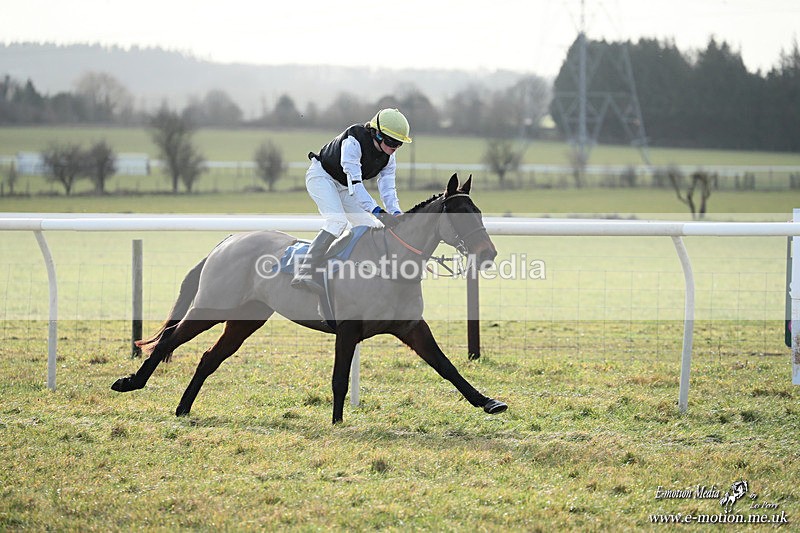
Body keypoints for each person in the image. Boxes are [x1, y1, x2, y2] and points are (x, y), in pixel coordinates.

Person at [291, 108, 413, 293]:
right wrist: (379, 212)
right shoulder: (353, 142)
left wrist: (396, 213)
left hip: (344, 186)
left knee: (369, 227)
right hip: (322, 177)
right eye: (392, 142)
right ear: (377, 134)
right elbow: (356, 187)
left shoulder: (390, 157)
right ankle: (304, 271)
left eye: (399, 144)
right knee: (337, 221)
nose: (394, 148)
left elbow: (388, 188)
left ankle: (355, 273)